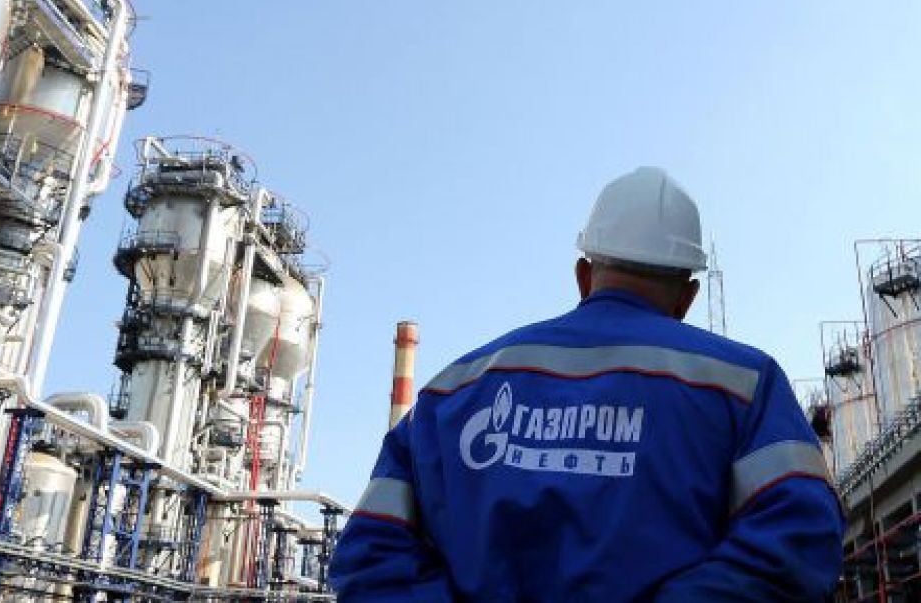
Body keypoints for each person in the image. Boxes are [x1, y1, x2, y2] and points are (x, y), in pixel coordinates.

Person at [330, 167, 844, 602]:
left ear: (583, 273)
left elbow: (368, 557)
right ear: (687, 297)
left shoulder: (450, 392)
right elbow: (799, 538)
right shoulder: (745, 385)